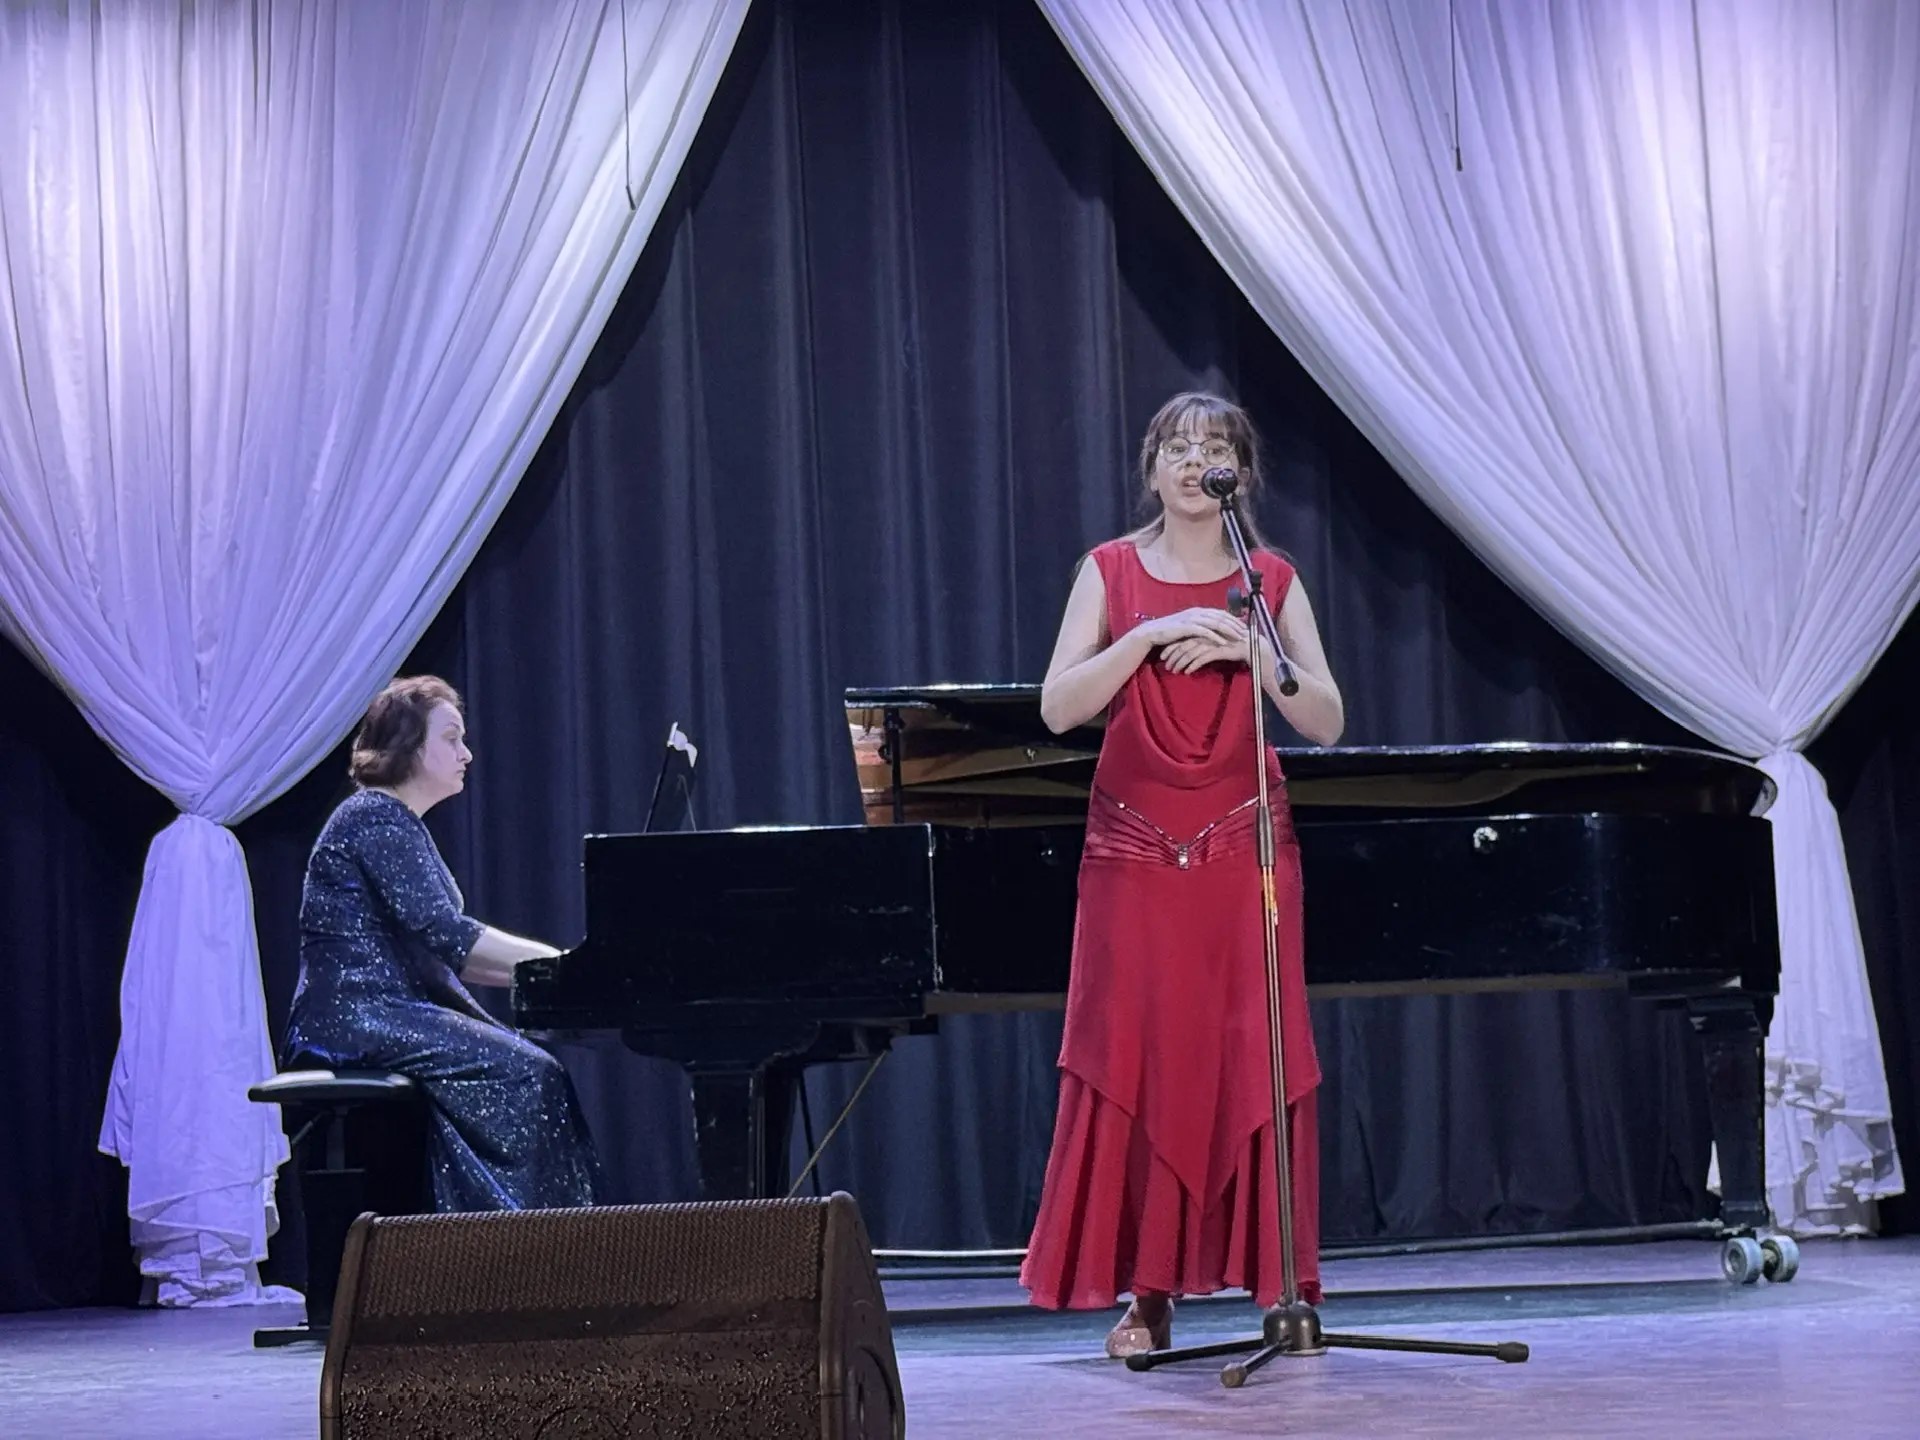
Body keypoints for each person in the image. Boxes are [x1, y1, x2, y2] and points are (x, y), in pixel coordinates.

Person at [1019, 392, 1345, 1356]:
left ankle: (1280, 1283)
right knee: (1140, 1057)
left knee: (1257, 1049)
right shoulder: (1109, 570)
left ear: (1239, 474)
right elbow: (1057, 709)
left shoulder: (1271, 579)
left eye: (1215, 449)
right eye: (1178, 447)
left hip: (1244, 849)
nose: (1195, 462)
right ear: (1152, 466)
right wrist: (1142, 639)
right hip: (1133, 851)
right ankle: (1147, 1293)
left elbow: (1326, 720)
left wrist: (1256, 648)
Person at [284, 675, 599, 1211]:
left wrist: (565, 969)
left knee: (533, 1065)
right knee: (529, 1073)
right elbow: (452, 937)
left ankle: (523, 1238)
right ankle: (504, 1243)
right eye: (451, 738)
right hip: (356, 1016)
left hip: (383, 1012)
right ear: (407, 745)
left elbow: (457, 951)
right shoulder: (374, 816)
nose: (466, 753)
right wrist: (568, 963)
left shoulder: (395, 821)